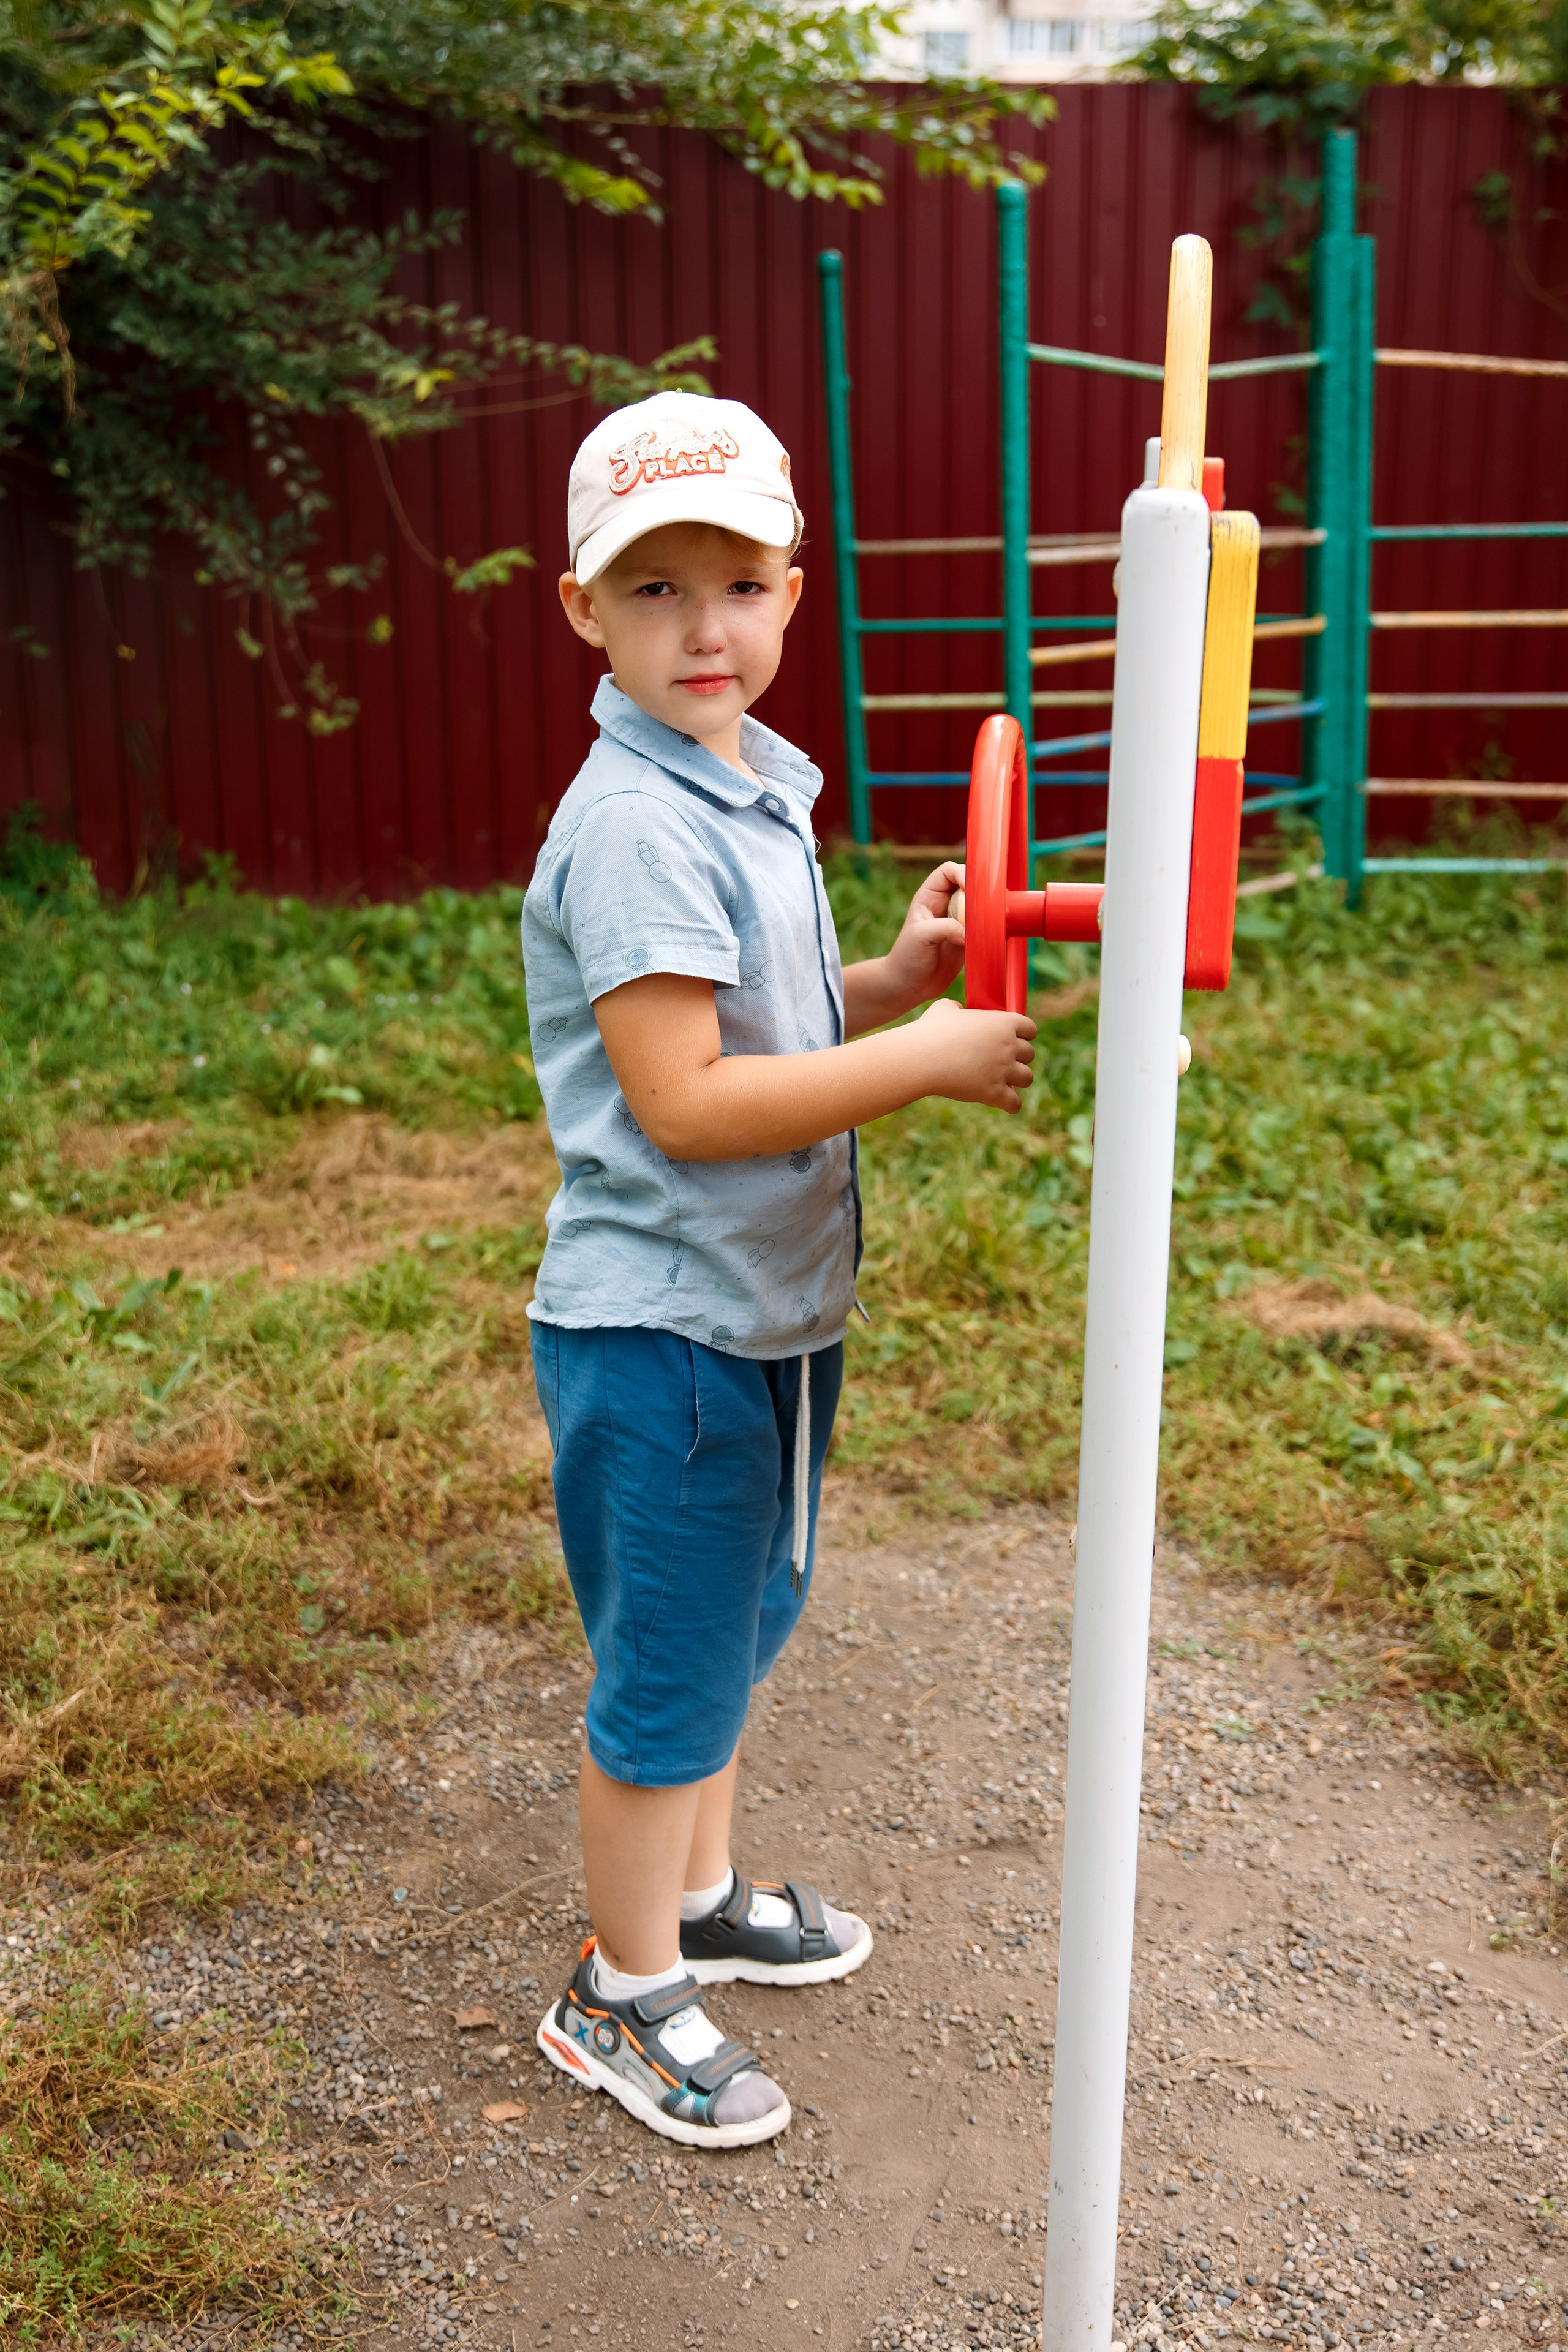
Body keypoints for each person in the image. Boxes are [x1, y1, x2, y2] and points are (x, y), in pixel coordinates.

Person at [522, 390, 1036, 2149]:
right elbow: (687, 1098)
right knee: (668, 1666)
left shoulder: (745, 782)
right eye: (651, 590)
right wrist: (928, 1059)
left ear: (794, 590)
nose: (702, 624)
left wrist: (887, 984)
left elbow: (774, 1017)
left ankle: (701, 1891)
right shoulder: (638, 824)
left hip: (765, 1314)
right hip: (664, 1330)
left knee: (738, 1626)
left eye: (734, 580)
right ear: (583, 610)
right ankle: (619, 1986)